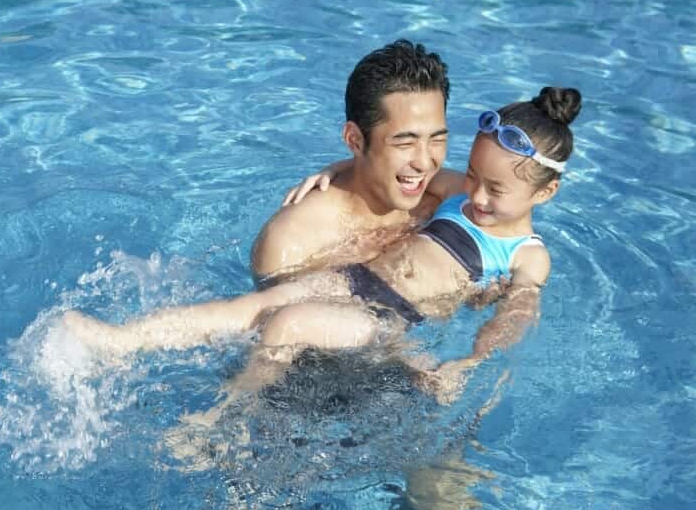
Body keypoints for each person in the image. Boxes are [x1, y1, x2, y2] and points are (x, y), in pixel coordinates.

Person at [64, 87, 581, 408]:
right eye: (473, 174)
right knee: (249, 308)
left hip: (389, 321)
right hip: (356, 279)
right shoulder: (459, 193)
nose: (479, 194)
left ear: (545, 192)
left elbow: (514, 318)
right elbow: (388, 168)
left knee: (288, 323)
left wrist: (466, 365)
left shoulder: (528, 254)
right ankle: (119, 343)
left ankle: (223, 417)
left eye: (497, 189)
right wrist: (332, 170)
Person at [248, 39, 453, 285]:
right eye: (404, 143)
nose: (424, 162)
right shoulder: (293, 241)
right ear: (355, 140)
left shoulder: (443, 203)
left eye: (437, 139)